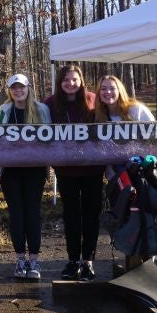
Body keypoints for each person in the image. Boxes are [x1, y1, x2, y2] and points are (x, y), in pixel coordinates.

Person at [44, 65, 101, 281]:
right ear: (60, 82)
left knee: (91, 215)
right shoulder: (50, 104)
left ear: (81, 80)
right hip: (66, 169)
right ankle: (73, 260)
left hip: (93, 169)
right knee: (71, 216)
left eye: (74, 79)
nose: (70, 83)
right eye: (66, 80)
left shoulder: (93, 100)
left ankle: (88, 260)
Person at [0, 73, 51, 279]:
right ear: (9, 90)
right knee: (16, 213)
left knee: (32, 212)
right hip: (9, 170)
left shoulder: (41, 109)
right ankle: (20, 259)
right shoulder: (3, 111)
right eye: (14, 88)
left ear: (29, 88)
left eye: (22, 87)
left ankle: (34, 260)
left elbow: (50, 138)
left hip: (34, 169)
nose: (18, 91)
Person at [94, 75, 157, 190]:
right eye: (103, 88)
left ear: (120, 90)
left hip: (145, 174)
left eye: (112, 88)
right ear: (99, 92)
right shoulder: (99, 117)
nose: (108, 92)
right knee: (123, 207)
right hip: (118, 177)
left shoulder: (136, 110)